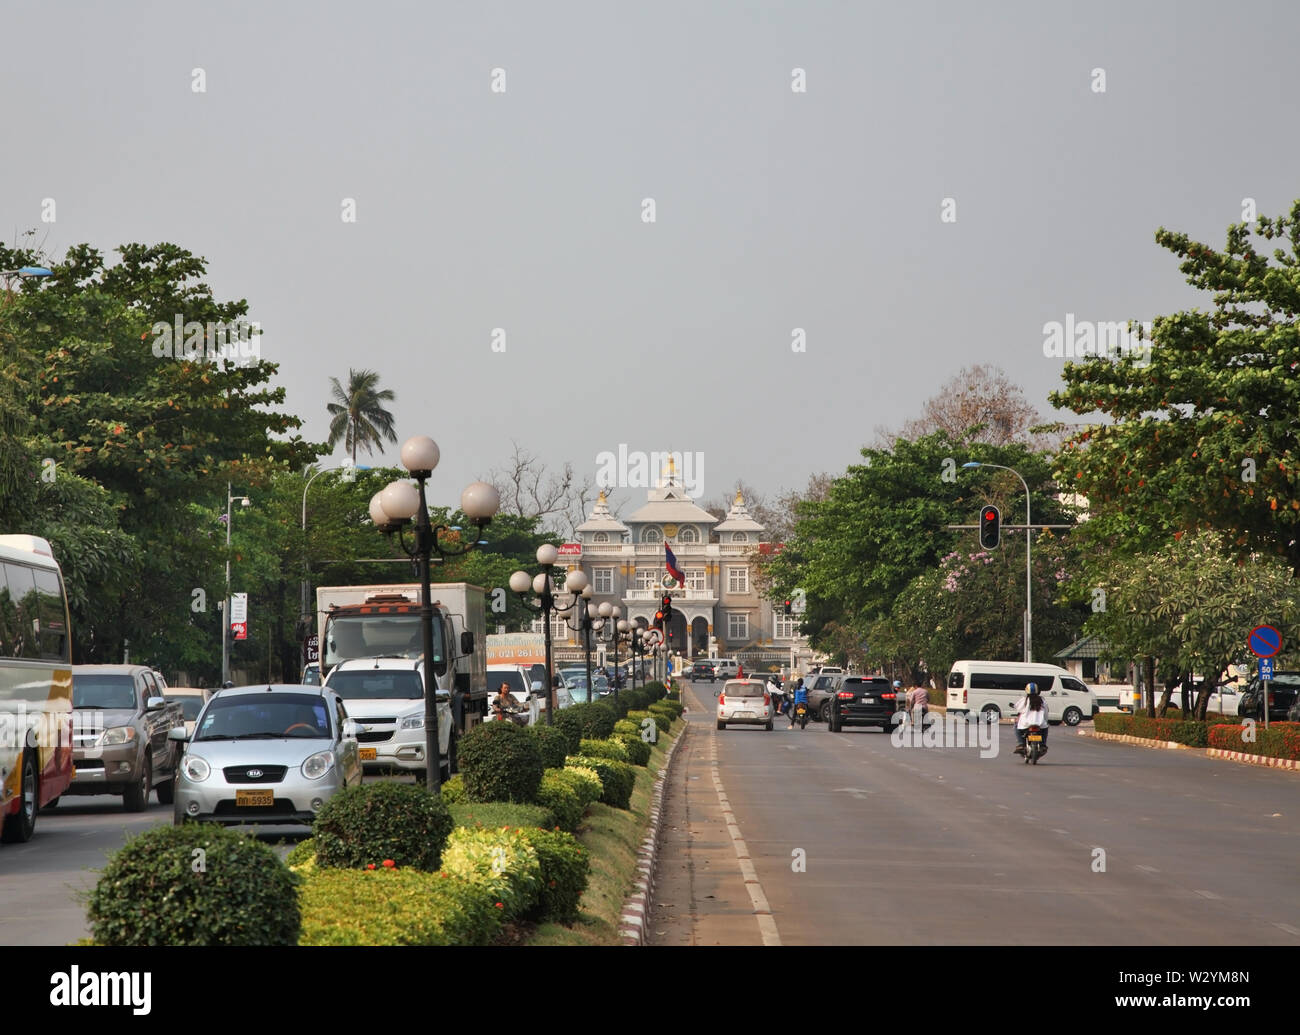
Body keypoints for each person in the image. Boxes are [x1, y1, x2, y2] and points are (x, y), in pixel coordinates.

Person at [1012, 683, 1049, 756]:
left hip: (1026, 723)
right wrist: (1045, 720)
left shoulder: (1024, 700)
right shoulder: (1042, 700)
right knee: (1045, 728)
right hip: (1039, 723)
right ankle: (1043, 744)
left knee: (1016, 727)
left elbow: (1018, 708)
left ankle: (1021, 744)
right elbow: (1046, 711)